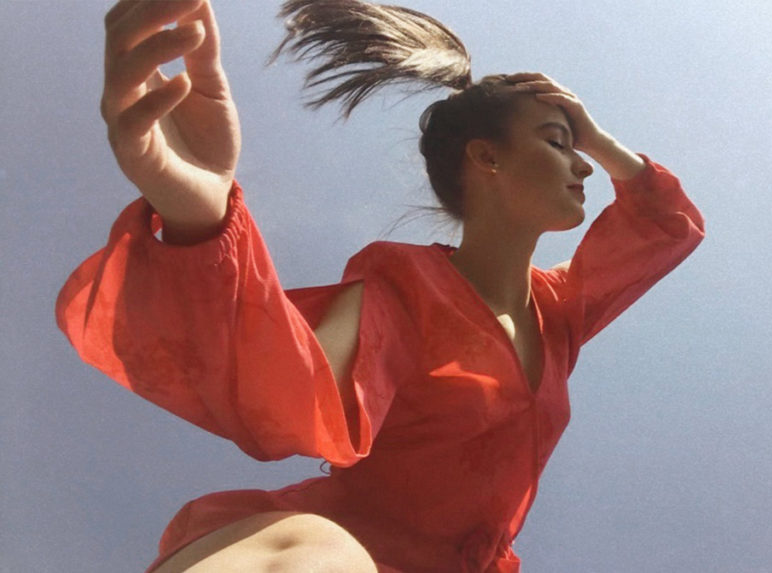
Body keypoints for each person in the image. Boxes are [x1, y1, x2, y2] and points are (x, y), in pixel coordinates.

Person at [56, 0, 705, 571]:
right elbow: (293, 392)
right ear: (486, 158)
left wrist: (592, 130)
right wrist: (202, 214)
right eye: (559, 142)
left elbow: (668, 226)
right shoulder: (407, 285)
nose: (583, 163)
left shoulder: (561, 311)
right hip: (324, 555)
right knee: (321, 550)